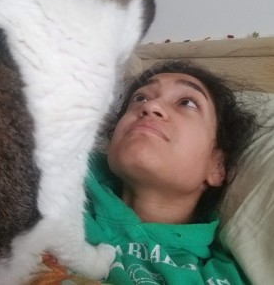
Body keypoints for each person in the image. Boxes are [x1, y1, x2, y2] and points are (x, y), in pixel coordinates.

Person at [84, 60, 257, 285]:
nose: (150, 106)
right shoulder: (56, 181)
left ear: (217, 166)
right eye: (140, 98)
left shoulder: (220, 276)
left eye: (187, 102)